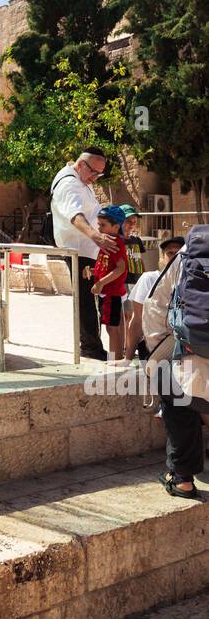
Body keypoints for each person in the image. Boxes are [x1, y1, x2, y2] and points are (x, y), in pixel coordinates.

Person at [142, 229, 208, 500]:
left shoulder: (190, 251)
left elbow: (155, 306)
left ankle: (181, 478)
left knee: (169, 380)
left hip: (193, 372)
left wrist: (162, 349)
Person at [50, 148, 117, 361]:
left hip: (88, 249)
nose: (95, 178)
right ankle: (90, 348)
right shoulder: (69, 183)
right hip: (79, 249)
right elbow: (75, 216)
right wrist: (96, 236)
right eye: (93, 173)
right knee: (86, 301)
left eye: (99, 174)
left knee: (92, 298)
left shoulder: (80, 181)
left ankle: (95, 346)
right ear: (81, 165)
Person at [125, 236, 184, 362]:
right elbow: (137, 321)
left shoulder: (193, 282)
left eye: (178, 253)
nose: (174, 256)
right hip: (154, 348)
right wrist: (127, 359)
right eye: (170, 253)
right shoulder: (149, 279)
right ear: (162, 257)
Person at [89, 205, 128, 359]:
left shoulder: (114, 243)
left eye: (103, 225)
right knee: (111, 327)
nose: (99, 229)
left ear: (116, 226)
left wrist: (100, 283)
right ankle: (116, 358)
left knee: (113, 328)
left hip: (111, 291)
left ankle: (115, 359)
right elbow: (107, 265)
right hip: (108, 291)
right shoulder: (107, 242)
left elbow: (120, 268)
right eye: (98, 225)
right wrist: (93, 272)